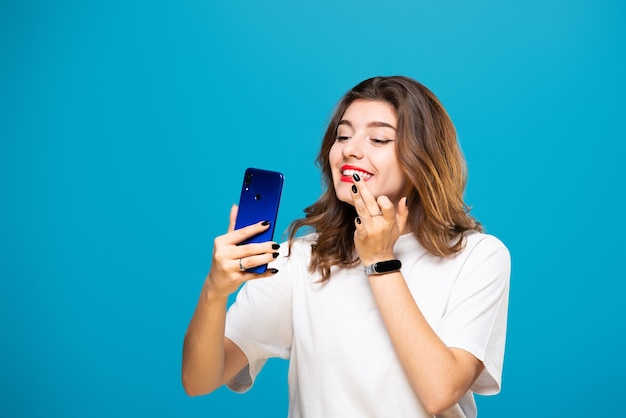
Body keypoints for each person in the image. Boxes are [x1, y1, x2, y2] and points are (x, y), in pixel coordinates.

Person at [182, 75, 510, 418]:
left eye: (379, 138)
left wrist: (381, 261)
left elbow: (440, 392)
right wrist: (214, 292)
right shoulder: (300, 259)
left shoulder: (478, 256)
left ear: (423, 159)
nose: (350, 149)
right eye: (343, 135)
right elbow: (198, 380)